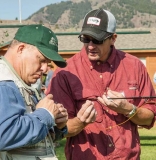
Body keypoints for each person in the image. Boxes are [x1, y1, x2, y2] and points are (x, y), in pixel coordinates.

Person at [46, 9, 156, 160]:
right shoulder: (65, 73)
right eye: (85, 38)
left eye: (97, 40)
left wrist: (128, 109)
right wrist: (80, 122)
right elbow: (58, 129)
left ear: (113, 38)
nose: (90, 46)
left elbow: (150, 118)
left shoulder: (135, 66)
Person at [0, 24, 68, 160]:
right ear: (21, 49)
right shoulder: (2, 82)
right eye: (41, 60)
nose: (45, 68)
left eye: (47, 62)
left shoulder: (24, 82)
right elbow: (2, 136)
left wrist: (57, 125)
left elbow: (32, 140)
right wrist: (45, 114)